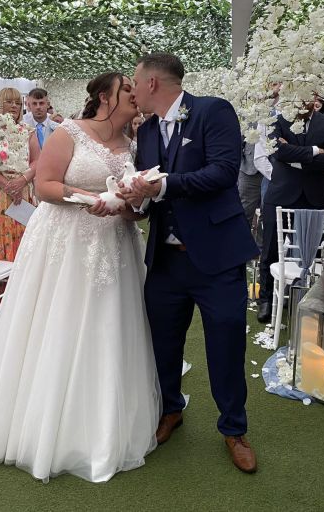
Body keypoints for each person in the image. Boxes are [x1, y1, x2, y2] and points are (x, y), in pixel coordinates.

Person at [0, 72, 160, 483]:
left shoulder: (134, 144)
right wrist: (91, 198)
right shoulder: (69, 131)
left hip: (115, 245)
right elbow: (45, 185)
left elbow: (135, 207)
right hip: (65, 240)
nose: (135, 94)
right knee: (58, 320)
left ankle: (103, 415)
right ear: (105, 96)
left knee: (108, 327)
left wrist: (131, 204)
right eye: (127, 89)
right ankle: (44, 414)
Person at [123, 53, 260, 474]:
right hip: (165, 260)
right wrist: (134, 200)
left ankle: (234, 429)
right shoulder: (147, 130)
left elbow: (223, 172)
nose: (132, 89)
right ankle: (170, 409)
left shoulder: (213, 111)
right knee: (163, 343)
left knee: (226, 343)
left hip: (217, 257)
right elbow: (148, 190)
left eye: (135, 81)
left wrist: (161, 186)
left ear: (151, 83)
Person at [255, 105, 324, 324]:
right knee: (270, 248)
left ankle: (311, 299)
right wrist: (314, 151)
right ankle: (266, 299)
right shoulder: (277, 121)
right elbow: (277, 151)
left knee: (315, 251)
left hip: (314, 195)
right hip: (280, 192)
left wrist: (294, 156)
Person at [0, 87, 40, 262]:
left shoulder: (28, 131)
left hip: (22, 192)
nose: (14, 106)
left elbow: (37, 161)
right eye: (9, 102)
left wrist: (22, 180)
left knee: (22, 236)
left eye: (18, 103)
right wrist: (8, 185)